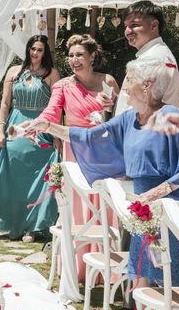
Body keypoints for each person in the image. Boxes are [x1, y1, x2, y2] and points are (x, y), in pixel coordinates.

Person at [23, 58, 179, 310]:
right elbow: (89, 137)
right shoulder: (128, 120)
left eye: (129, 79)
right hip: (143, 209)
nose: (123, 85)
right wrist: (49, 126)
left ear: (148, 85)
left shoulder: (171, 115)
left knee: (175, 278)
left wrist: (156, 194)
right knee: (145, 273)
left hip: (170, 206)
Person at [31, 34, 119, 281]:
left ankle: (105, 270)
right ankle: (78, 268)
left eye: (79, 54)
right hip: (76, 153)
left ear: (92, 56)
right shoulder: (63, 86)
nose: (74, 60)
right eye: (70, 55)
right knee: (79, 209)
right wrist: (40, 123)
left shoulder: (108, 81)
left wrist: (110, 108)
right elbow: (51, 111)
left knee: (104, 208)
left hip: (105, 155)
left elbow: (122, 118)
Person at [0, 34, 60, 242]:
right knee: (12, 174)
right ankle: (10, 221)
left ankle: (33, 226)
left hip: (40, 126)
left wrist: (56, 133)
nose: (35, 53)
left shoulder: (52, 73)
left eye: (40, 50)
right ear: (27, 49)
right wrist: (0, 130)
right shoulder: (14, 72)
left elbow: (57, 106)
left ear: (45, 52)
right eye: (33, 49)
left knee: (37, 176)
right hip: (15, 126)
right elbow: (5, 104)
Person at [114, 0, 179, 115]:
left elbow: (144, 107)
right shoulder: (155, 54)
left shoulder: (154, 59)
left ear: (154, 25)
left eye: (134, 25)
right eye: (126, 26)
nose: (128, 31)